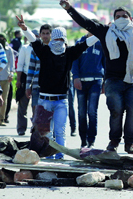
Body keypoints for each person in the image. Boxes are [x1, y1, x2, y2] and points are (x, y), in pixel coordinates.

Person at [60, 0, 133, 154]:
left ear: (130, 18)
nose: (121, 18)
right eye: (118, 16)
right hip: (113, 80)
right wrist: (69, 9)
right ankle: (114, 141)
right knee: (116, 109)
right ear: (113, 19)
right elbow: (85, 22)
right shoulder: (106, 31)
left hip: (132, 79)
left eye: (124, 16)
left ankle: (129, 144)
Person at [16, 14, 99, 159]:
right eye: (56, 39)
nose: (58, 42)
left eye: (61, 39)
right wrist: (25, 29)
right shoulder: (44, 51)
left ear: (65, 39)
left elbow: (86, 44)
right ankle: (48, 157)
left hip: (61, 101)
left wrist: (99, 34)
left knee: (60, 131)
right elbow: (34, 40)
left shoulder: (69, 53)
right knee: (46, 133)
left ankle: (60, 157)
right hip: (44, 100)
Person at [72, 31, 105, 148]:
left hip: (96, 81)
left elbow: (105, 62)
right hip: (81, 81)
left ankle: (91, 140)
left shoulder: (101, 43)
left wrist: (105, 81)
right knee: (81, 112)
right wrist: (75, 77)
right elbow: (74, 62)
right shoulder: (80, 42)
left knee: (92, 112)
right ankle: (83, 140)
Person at [26, 24, 52, 115]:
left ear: (51, 35)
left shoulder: (55, 49)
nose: (45, 36)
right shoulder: (35, 50)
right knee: (36, 113)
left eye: (47, 33)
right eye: (43, 33)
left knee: (49, 113)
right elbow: (31, 69)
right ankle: (36, 129)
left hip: (51, 87)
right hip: (37, 86)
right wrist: (28, 86)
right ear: (40, 35)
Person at [16, 30, 38, 136]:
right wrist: (19, 80)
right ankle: (21, 128)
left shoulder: (42, 48)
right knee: (22, 105)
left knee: (37, 106)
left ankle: (35, 128)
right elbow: (20, 65)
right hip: (25, 77)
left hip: (38, 78)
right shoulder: (25, 48)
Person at [0, 33, 14, 126]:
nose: (1, 39)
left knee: (4, 99)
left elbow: (12, 64)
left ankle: (1, 118)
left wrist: (11, 74)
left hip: (6, 77)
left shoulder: (9, 50)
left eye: (3, 38)